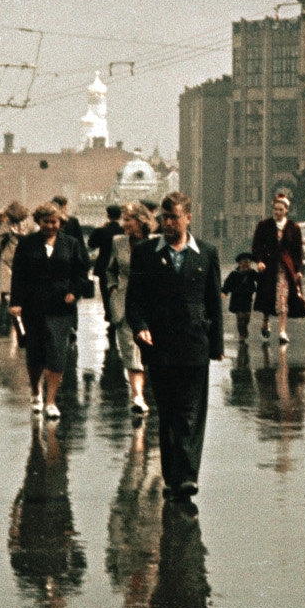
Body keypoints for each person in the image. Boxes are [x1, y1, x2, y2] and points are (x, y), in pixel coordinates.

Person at [127, 192, 224, 507]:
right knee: (169, 412)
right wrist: (140, 325)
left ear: (188, 218)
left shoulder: (206, 254)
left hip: (195, 342)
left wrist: (217, 345)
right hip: (160, 344)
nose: (168, 224)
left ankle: (188, 477)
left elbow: (213, 303)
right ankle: (172, 477)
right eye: (164, 218)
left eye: (174, 218)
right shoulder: (145, 253)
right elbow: (135, 298)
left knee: (192, 412)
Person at [9, 202, 92, 419]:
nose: (50, 226)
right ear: (38, 222)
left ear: (61, 222)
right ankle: (36, 391)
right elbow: (18, 274)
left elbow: (82, 272)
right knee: (35, 353)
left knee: (57, 352)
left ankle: (51, 401)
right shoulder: (27, 244)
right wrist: (15, 302)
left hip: (61, 306)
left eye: (54, 222)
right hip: (32, 305)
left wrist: (75, 292)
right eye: (45, 222)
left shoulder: (71, 244)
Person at [104, 202, 151, 416]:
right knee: (130, 350)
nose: (124, 224)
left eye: (128, 219)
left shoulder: (156, 243)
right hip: (123, 302)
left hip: (150, 303)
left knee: (151, 350)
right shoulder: (118, 242)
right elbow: (110, 269)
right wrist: (113, 286)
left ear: (141, 221)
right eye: (123, 219)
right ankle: (137, 396)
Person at [251, 193, 305, 349]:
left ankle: (282, 331)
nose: (277, 212)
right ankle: (266, 321)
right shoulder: (264, 225)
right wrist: (259, 261)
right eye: (275, 209)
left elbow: (297, 250)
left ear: (286, 210)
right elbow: (257, 245)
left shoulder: (293, 228)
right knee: (268, 296)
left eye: (280, 210)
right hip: (268, 267)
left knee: (283, 297)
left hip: (285, 268)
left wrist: (297, 269)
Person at [0, 202, 33, 304]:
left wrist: (0, 252)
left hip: (8, 255)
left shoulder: (5, 225)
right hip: (25, 256)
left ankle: (9, 302)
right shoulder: (29, 224)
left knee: (8, 287)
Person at [222, 253, 259, 358]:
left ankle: (245, 328)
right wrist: (224, 292)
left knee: (247, 316)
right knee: (240, 317)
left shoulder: (252, 273)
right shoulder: (234, 274)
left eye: (248, 262)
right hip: (236, 298)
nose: (245, 265)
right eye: (243, 262)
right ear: (239, 263)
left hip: (247, 298)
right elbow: (227, 284)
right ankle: (241, 335)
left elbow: (260, 280)